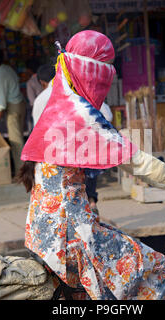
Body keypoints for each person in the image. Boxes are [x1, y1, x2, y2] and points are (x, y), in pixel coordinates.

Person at [17, 30, 165, 300]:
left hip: (42, 232)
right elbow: (139, 164)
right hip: (72, 236)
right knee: (159, 269)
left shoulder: (56, 105)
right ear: (91, 73)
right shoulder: (80, 114)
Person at [32, 63, 113, 214]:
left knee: (62, 201)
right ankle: (91, 203)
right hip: (83, 154)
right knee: (83, 186)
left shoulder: (41, 99)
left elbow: (38, 134)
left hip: (56, 159)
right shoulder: (79, 91)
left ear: (43, 83)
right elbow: (107, 115)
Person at [0, 48, 25, 173]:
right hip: (20, 105)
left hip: (13, 108)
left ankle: (22, 172)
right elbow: (4, 90)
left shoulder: (0, 73)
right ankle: (24, 171)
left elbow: (2, 100)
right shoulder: (8, 69)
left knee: (16, 142)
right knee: (19, 139)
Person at [25, 58, 43, 134]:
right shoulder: (46, 78)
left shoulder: (30, 82)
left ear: (29, 70)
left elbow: (32, 102)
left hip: (38, 112)